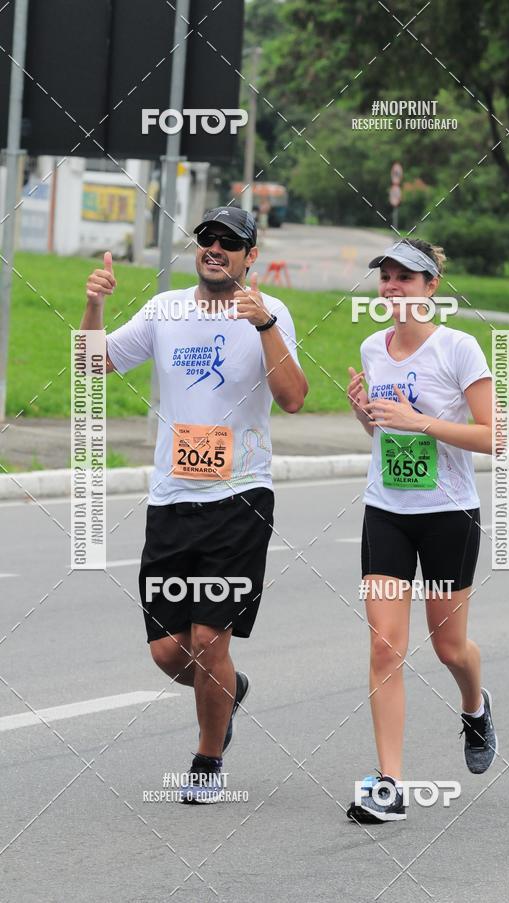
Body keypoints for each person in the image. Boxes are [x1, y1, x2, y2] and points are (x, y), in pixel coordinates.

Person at [81, 207, 308, 803]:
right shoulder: (166, 310)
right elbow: (89, 365)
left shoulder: (269, 313)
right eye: (206, 239)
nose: (214, 248)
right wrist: (96, 306)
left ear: (249, 256)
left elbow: (293, 400)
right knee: (168, 651)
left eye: (228, 242)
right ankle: (227, 691)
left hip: (240, 498)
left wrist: (264, 326)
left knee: (210, 642)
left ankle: (207, 759)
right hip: (171, 501)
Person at [345, 237, 497, 824]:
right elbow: (385, 440)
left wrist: (421, 422)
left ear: (431, 288)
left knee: (448, 647)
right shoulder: (372, 347)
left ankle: (475, 705)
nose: (393, 288)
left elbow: (494, 436)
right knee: (385, 647)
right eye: (386, 277)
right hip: (386, 512)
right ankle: (389, 784)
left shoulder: (457, 349)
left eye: (406, 278)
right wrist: (367, 414)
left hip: (448, 516)